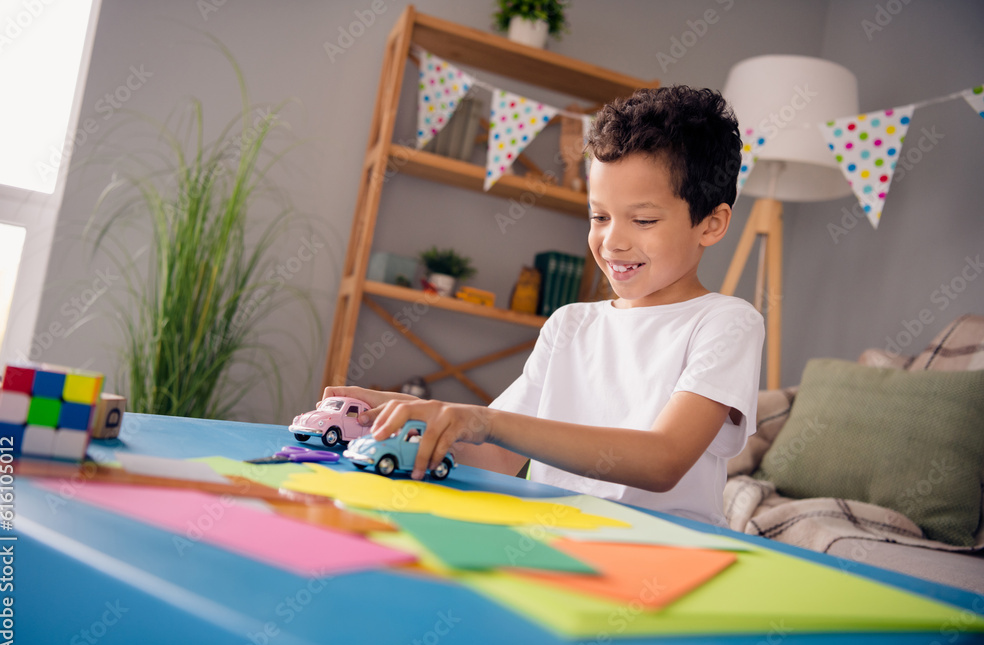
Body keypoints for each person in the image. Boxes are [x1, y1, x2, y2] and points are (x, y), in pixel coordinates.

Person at [326, 86, 764, 527]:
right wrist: (411, 420)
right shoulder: (569, 323)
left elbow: (663, 460)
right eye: (600, 216)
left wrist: (483, 420)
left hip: (666, 556)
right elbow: (493, 454)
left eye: (644, 220)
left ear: (711, 223)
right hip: (553, 545)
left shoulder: (726, 323)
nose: (613, 241)